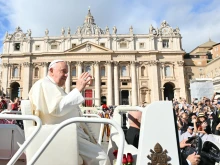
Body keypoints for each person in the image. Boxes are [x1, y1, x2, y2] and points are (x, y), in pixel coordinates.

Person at [29, 60, 110, 165]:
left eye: (67, 72)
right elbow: (57, 108)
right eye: (63, 71)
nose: (67, 75)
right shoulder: (44, 84)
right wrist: (78, 89)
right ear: (51, 70)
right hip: (62, 133)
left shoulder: (54, 86)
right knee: (102, 160)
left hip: (67, 131)